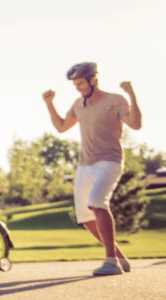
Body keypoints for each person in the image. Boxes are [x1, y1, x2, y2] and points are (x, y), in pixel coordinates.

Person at [42, 62, 141, 275]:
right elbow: (61, 127)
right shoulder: (79, 104)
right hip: (85, 165)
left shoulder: (115, 100)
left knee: (97, 202)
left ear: (93, 80)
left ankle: (110, 261)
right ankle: (117, 256)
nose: (78, 87)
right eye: (75, 84)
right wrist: (49, 104)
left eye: (81, 83)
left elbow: (135, 124)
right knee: (85, 217)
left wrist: (132, 94)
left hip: (109, 161)